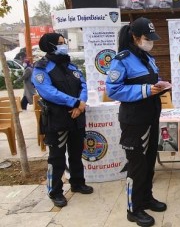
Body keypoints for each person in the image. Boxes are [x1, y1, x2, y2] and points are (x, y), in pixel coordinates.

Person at [105, 17, 167, 227]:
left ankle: (146, 198)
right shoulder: (121, 59)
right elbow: (113, 89)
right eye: (146, 37)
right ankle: (134, 208)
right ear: (134, 36)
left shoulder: (146, 57)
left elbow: (150, 82)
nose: (150, 41)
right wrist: (147, 89)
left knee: (149, 162)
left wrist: (160, 86)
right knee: (136, 165)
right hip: (134, 120)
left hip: (151, 116)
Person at [32, 33, 93, 208]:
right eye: (60, 43)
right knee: (57, 158)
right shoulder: (42, 68)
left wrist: (80, 104)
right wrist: (74, 102)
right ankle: (55, 191)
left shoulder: (70, 65)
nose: (64, 45)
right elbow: (48, 92)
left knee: (76, 153)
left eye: (64, 42)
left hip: (77, 116)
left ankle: (77, 182)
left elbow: (83, 84)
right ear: (49, 45)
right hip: (57, 118)